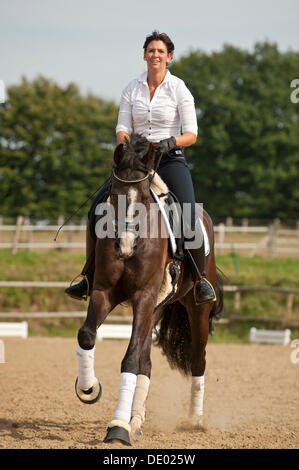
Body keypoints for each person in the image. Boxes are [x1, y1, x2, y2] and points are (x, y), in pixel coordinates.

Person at [65, 30, 216, 304]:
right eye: (151, 50)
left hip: (169, 160)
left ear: (168, 57)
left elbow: (192, 133)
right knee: (96, 208)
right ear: (144, 55)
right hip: (136, 162)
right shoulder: (131, 88)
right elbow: (122, 127)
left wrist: (170, 142)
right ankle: (88, 276)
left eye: (160, 51)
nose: (155, 55)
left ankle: (200, 278)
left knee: (190, 213)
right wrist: (127, 144)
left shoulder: (179, 89)